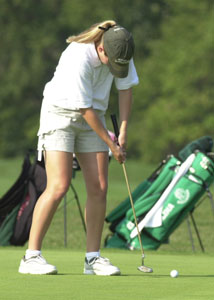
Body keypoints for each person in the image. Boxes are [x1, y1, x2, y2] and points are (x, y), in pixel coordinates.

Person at [18, 20, 139, 276]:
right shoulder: (78, 56)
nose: (116, 68)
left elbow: (125, 89)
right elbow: (83, 109)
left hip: (92, 115)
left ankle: (92, 259)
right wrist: (111, 145)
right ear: (102, 49)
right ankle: (31, 256)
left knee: (99, 187)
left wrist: (124, 130)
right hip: (60, 114)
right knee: (59, 185)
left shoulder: (121, 50)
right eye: (112, 62)